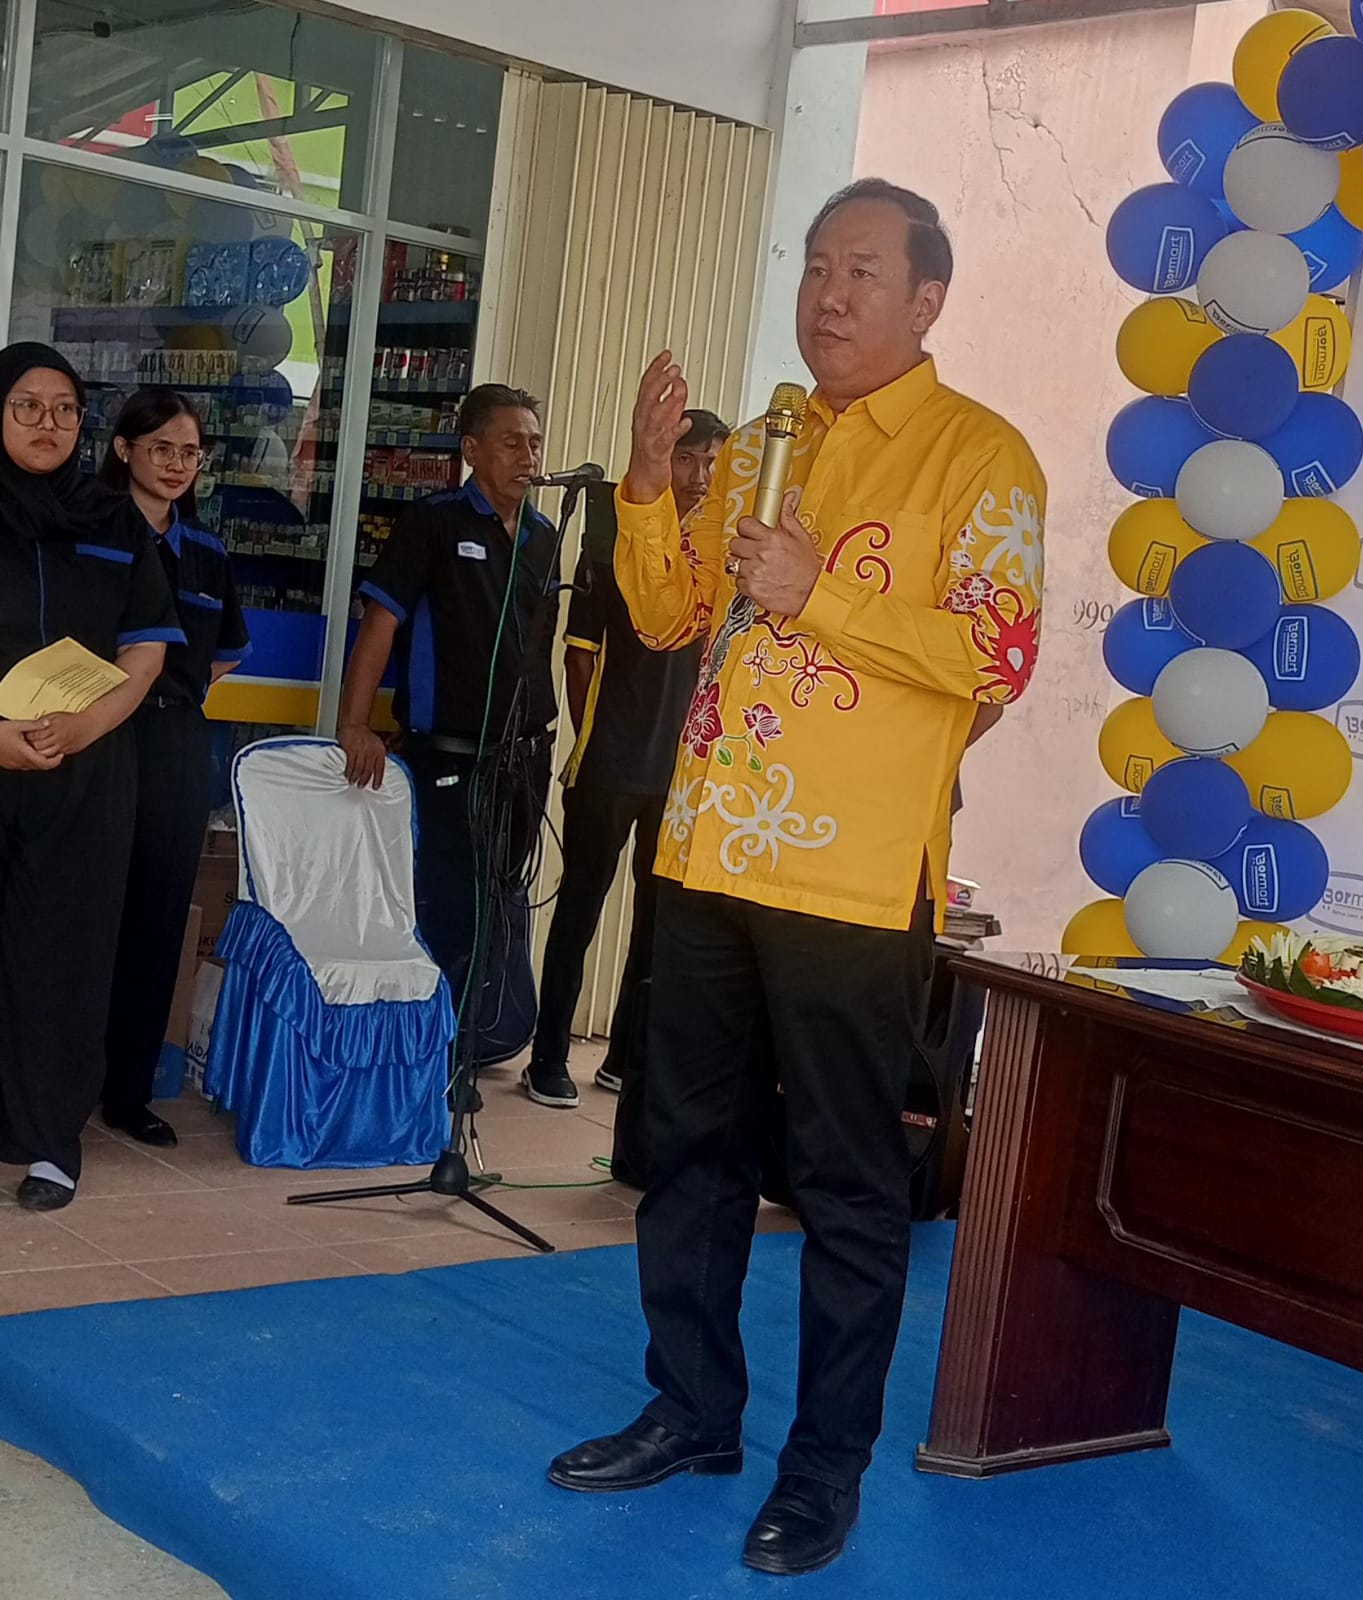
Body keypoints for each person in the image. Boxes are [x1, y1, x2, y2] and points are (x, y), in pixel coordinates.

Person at [548, 180, 1046, 1576]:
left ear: (927, 299)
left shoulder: (980, 456)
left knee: (842, 1181)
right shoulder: (770, 436)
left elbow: (997, 657)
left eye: (862, 271)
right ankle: (691, 1408)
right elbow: (668, 615)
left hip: (852, 879)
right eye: (818, 265)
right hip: (710, 849)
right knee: (686, 1150)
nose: (828, 293)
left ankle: (825, 1469)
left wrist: (818, 592)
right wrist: (650, 485)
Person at [338, 385, 560, 1108]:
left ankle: (471, 1046)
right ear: (471, 449)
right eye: (511, 441)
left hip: (523, 756)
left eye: (534, 442)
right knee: (449, 910)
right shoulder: (432, 522)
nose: (527, 456)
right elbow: (381, 623)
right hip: (448, 753)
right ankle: (432, 1062)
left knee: (500, 904)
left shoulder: (544, 535)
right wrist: (354, 721)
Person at [0, 343, 183, 1210]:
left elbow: (146, 649)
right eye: (27, 406)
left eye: (66, 409)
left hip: (86, 770)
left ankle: (49, 1141)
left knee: (66, 950)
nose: (49, 423)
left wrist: (83, 726)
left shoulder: (112, 519)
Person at [523, 409, 729, 1110]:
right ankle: (547, 1057)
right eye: (685, 459)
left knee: (658, 920)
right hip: (610, 763)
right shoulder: (614, 542)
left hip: (681, 772)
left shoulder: (725, 552)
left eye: (711, 462)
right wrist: (597, 737)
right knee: (580, 910)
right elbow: (578, 657)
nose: (699, 476)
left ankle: (624, 1057)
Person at [98, 389, 251, 1148]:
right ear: (123, 449)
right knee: (81, 909)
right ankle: (54, 1083)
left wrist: (172, 702)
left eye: (190, 453)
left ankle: (127, 1093)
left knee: (158, 921)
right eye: (161, 448)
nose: (177, 465)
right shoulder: (91, 532)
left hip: (175, 741)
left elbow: (226, 654)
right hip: (97, 734)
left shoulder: (207, 552)